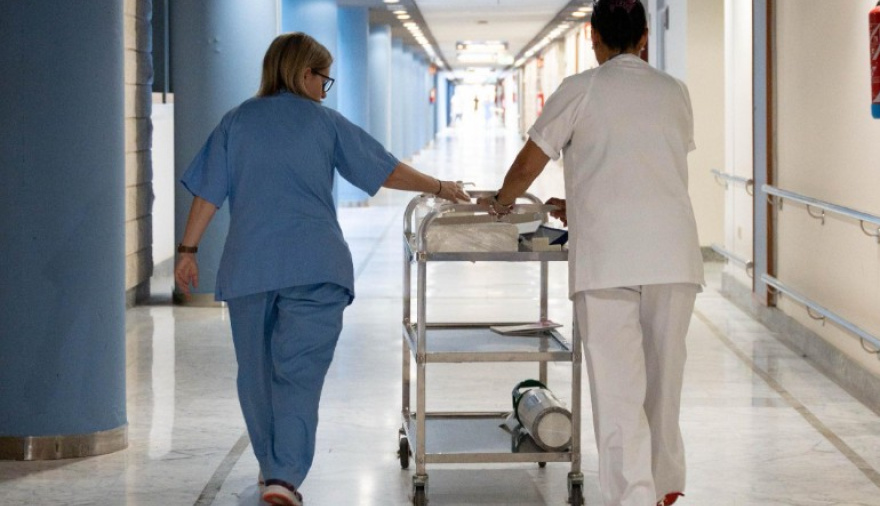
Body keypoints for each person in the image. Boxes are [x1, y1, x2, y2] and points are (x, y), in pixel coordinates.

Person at [174, 32, 469, 506]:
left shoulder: (236, 121)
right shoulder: (325, 122)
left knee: (255, 376)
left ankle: (274, 470)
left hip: (250, 269)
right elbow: (384, 168)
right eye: (324, 79)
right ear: (304, 73)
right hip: (316, 267)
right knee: (298, 374)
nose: (324, 90)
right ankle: (283, 476)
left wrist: (188, 249)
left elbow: (208, 192)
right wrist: (439, 185)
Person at [478, 1, 704, 505]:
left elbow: (529, 163)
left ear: (593, 37)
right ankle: (665, 487)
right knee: (664, 385)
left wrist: (501, 202)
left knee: (618, 392)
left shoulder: (580, 89)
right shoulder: (675, 91)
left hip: (608, 261)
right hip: (673, 258)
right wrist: (579, 202)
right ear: (645, 37)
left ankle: (635, 498)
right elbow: (646, 167)